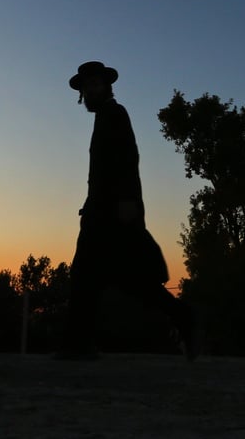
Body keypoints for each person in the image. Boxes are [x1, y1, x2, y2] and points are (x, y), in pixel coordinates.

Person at [58, 61, 199, 360]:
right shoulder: (106, 116)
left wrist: (126, 202)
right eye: (86, 86)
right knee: (119, 279)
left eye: (95, 84)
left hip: (111, 212)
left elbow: (127, 158)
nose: (90, 90)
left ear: (106, 87)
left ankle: (79, 344)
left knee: (91, 276)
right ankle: (181, 317)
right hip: (101, 210)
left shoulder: (114, 114)